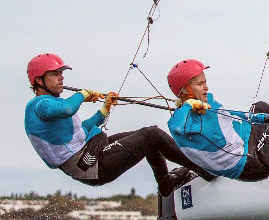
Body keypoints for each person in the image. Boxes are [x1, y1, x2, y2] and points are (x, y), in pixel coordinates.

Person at [23, 53, 215, 196]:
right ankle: (206, 170)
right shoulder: (38, 106)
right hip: (89, 165)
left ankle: (165, 184)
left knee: (148, 136)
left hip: (89, 151)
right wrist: (82, 94)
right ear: (39, 80)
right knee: (151, 135)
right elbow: (67, 109)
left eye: (61, 73)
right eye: (55, 74)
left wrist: (104, 110)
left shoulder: (51, 106)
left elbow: (80, 132)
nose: (62, 78)